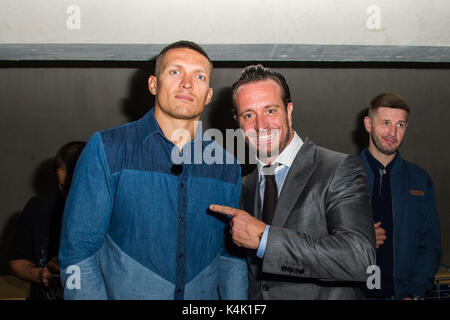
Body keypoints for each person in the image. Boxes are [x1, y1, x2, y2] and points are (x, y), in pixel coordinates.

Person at [58, 41, 248, 300]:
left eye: (199, 76)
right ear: (153, 84)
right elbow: (78, 252)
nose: (187, 83)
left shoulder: (227, 166)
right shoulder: (107, 148)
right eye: (175, 72)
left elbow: (230, 259)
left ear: (208, 95)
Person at [210, 64, 376, 299]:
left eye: (270, 111)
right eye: (249, 115)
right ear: (238, 121)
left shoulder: (338, 168)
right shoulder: (243, 184)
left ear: (288, 111)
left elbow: (360, 259)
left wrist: (264, 238)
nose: (260, 125)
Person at [360, 93, 441, 300]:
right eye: (385, 123)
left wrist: (415, 293)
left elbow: (430, 244)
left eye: (400, 125)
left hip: (401, 294)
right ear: (368, 124)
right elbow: (319, 240)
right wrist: (360, 235)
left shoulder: (420, 181)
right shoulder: (340, 175)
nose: (392, 133)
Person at [8, 141, 86, 300]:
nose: (69, 195)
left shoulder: (114, 212)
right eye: (63, 187)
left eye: (76, 187)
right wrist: (40, 274)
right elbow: (17, 260)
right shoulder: (38, 208)